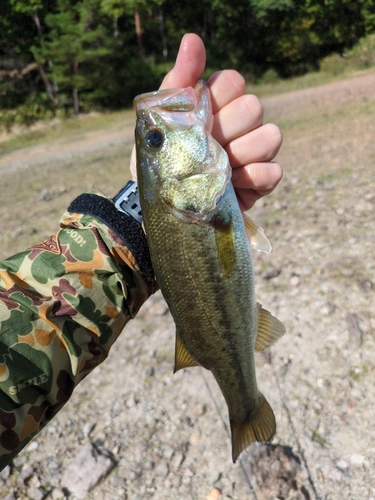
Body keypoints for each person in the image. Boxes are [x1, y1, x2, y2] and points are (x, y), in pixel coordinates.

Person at [0, 34, 282, 470]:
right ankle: (244, 406)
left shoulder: (194, 200)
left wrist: (134, 215)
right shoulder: (200, 203)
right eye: (156, 140)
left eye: (152, 140)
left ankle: (242, 403)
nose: (155, 130)